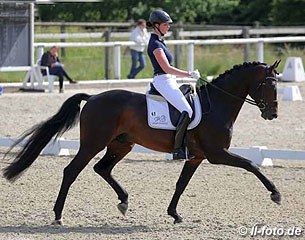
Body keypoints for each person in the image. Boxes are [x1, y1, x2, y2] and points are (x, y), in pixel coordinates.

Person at [147, 10, 201, 160]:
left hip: (169, 79)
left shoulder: (160, 42)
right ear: (156, 25)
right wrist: (189, 74)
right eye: (165, 24)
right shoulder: (155, 44)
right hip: (163, 80)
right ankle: (178, 150)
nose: (168, 27)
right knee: (187, 110)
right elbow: (167, 68)